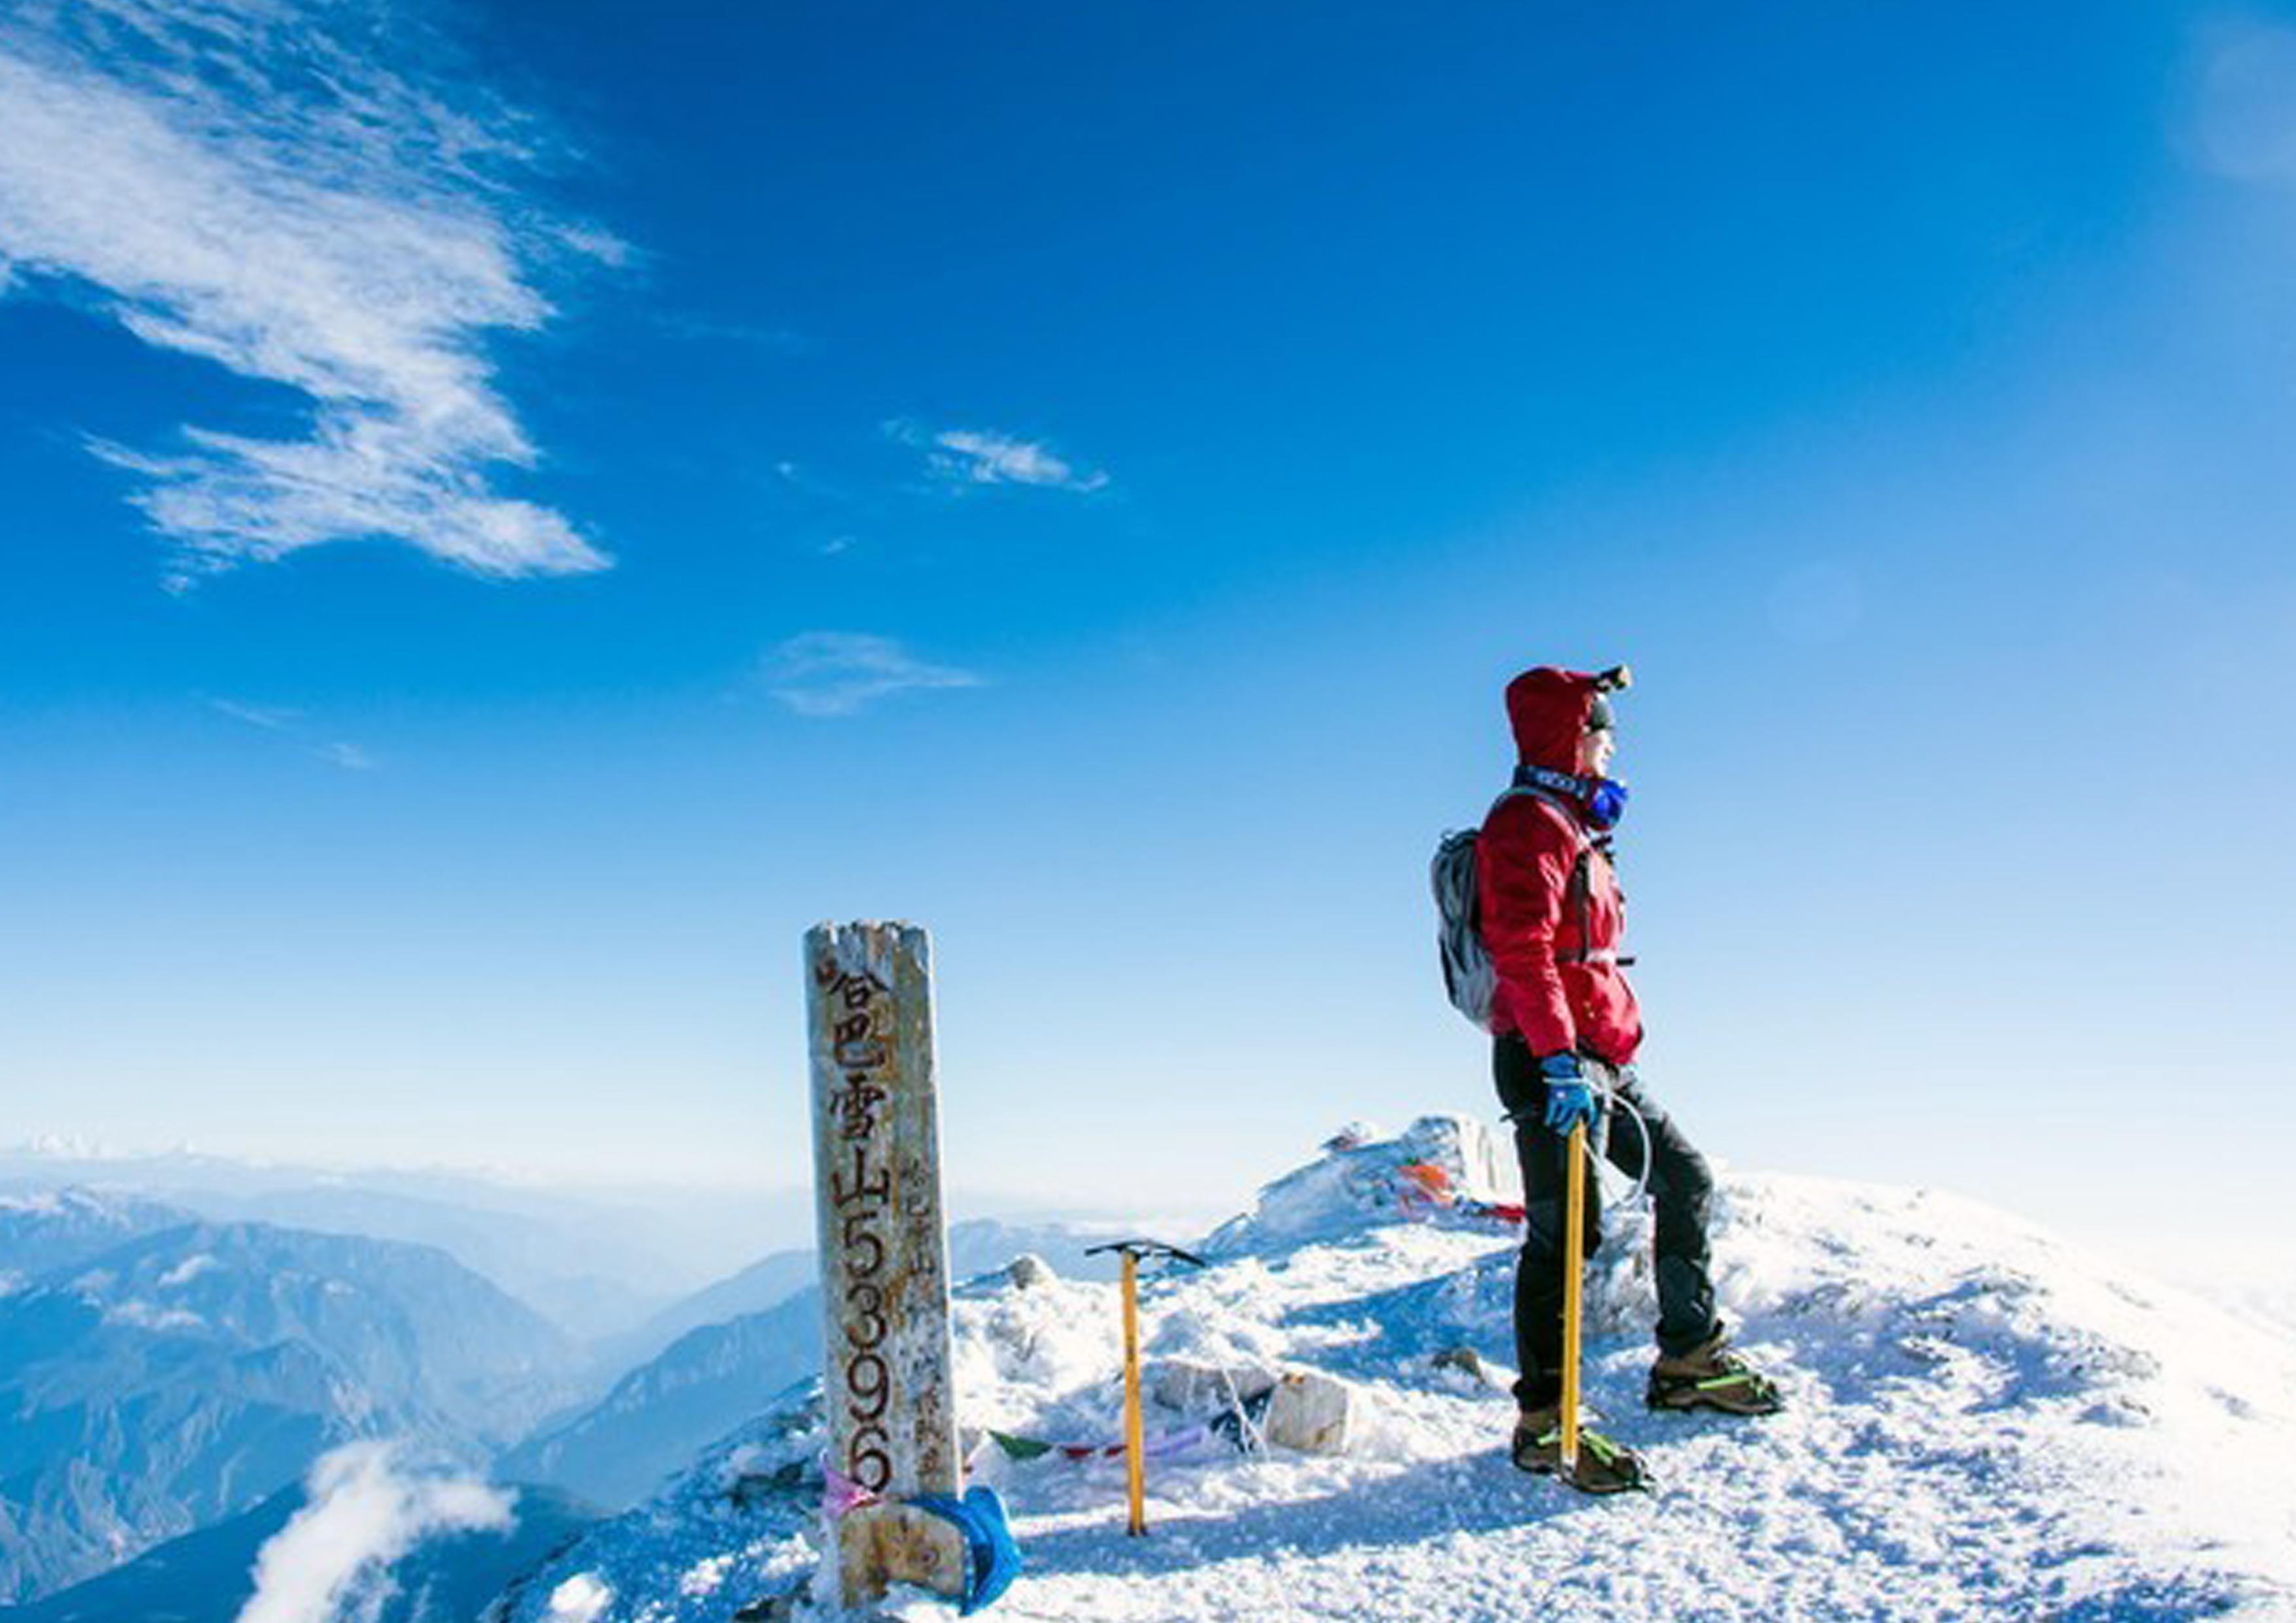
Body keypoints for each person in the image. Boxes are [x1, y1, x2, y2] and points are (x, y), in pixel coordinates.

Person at [1477, 664, 1780, 1494]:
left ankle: (1687, 1359)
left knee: (1684, 1178)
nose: (1612, 749)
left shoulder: (1574, 826)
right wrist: (1556, 1059)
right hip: (1555, 1061)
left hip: (1600, 1057)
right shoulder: (1528, 823)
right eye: (1600, 734)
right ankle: (1547, 1421)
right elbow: (1523, 950)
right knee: (1563, 1234)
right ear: (1568, 738)